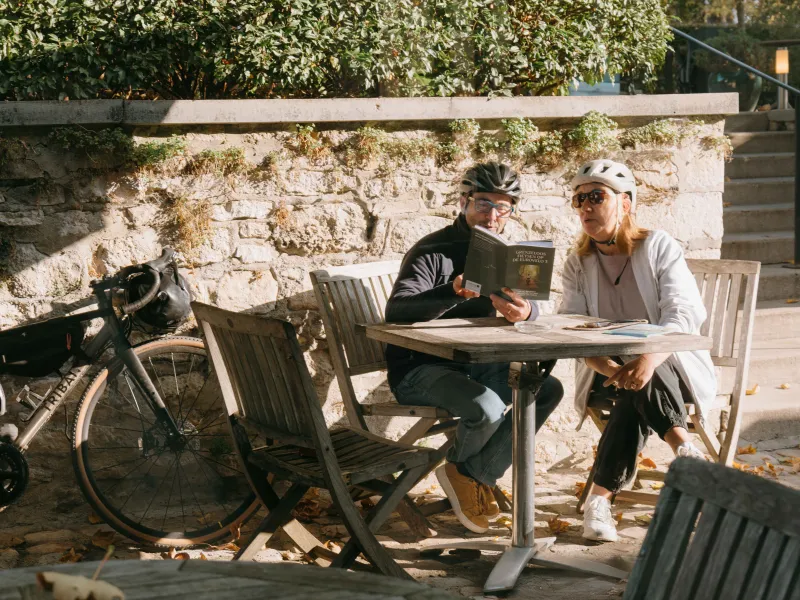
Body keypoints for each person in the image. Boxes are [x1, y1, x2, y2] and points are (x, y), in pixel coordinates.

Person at [385, 162, 564, 534]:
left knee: (546, 389)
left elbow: (531, 308)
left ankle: (469, 472)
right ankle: (467, 474)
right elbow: (397, 311)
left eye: (503, 207)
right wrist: (451, 291)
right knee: (487, 408)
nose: (493, 215)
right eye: (484, 204)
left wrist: (526, 311)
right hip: (422, 369)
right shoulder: (432, 250)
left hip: (477, 365)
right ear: (464, 201)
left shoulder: (505, 252)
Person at [559, 159, 716, 542]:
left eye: (596, 196)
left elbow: (684, 314)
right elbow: (571, 329)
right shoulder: (577, 262)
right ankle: (684, 448)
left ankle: (598, 500)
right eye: (578, 199)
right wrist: (613, 366)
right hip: (605, 371)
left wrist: (646, 360)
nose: (585, 207)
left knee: (640, 368)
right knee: (631, 379)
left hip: (669, 366)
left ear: (626, 203)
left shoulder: (657, 246)